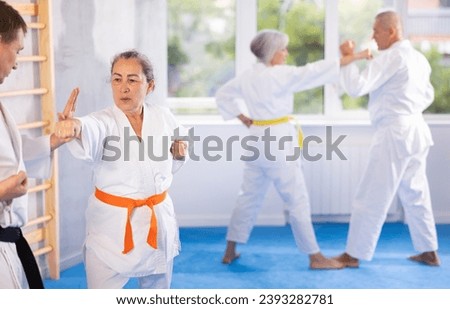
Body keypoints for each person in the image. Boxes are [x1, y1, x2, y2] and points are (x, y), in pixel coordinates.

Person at [215, 29, 369, 269]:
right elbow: (314, 71)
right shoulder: (280, 75)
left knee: (248, 197)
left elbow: (223, 94)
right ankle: (315, 257)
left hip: (255, 139)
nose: (286, 54)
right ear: (271, 54)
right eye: (282, 50)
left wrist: (244, 118)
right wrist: (356, 57)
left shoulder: (247, 77)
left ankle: (229, 250)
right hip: (277, 141)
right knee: (297, 199)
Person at [55, 50, 188, 288]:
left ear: (150, 86)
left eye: (132, 79)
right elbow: (90, 126)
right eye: (117, 79)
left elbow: (179, 148)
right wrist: (74, 125)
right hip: (112, 229)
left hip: (156, 221)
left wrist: (179, 151)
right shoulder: (104, 120)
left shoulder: (163, 117)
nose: (123, 87)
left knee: (157, 293)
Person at [335, 10, 440, 268]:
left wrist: (347, 59)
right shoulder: (418, 59)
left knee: (371, 194)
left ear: (391, 31)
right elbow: (428, 96)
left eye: (376, 31)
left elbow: (356, 88)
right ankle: (429, 251)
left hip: (395, 132)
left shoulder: (391, 57)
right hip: (416, 129)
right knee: (416, 193)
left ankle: (352, 254)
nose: (373, 37)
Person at [0, 0, 77, 288]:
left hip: (9, 240)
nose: (17, 62)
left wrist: (56, 139)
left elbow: (9, 156)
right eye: (17, 50)